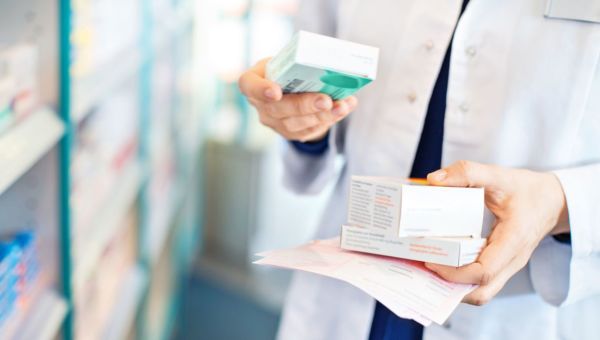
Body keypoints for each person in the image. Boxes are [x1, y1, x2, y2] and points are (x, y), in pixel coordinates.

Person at [238, 0, 600, 339]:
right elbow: (318, 79)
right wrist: (301, 121)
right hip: (349, 287)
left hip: (522, 307)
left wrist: (563, 203)